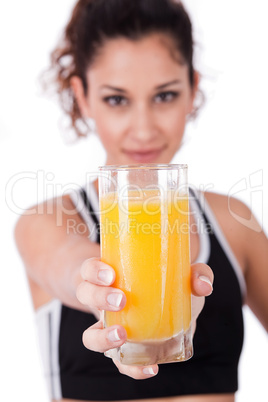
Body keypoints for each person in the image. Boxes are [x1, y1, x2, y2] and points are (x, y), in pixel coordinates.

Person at [14, 0, 268, 401]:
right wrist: (106, 298)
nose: (144, 128)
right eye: (117, 99)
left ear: (192, 89)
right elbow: (69, 266)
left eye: (164, 96)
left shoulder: (234, 222)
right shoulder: (48, 221)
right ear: (82, 96)